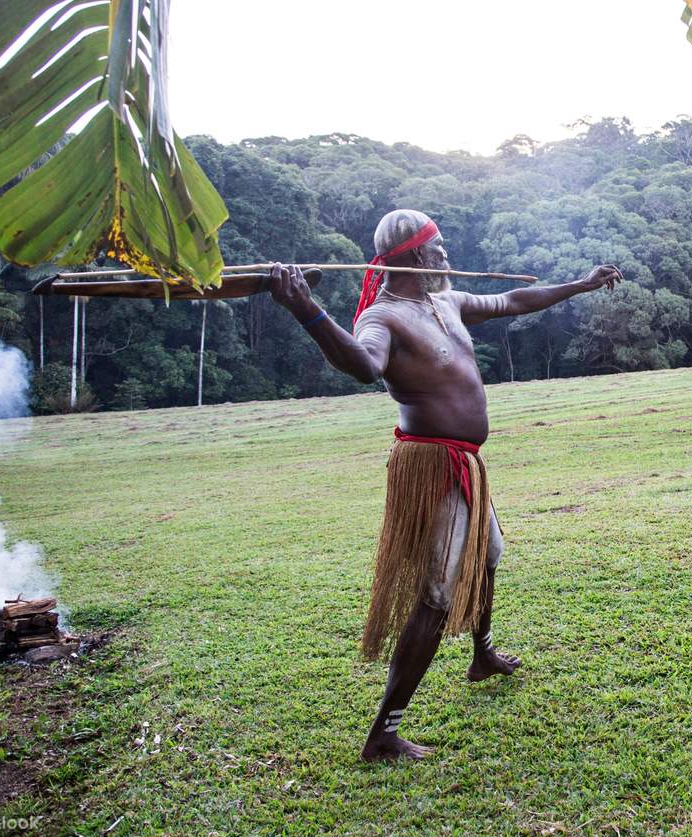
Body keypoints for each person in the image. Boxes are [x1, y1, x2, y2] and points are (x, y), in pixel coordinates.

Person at [267, 208, 622, 761]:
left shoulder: (445, 301)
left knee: (487, 556)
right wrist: (306, 309)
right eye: (440, 250)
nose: (448, 259)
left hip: (466, 462)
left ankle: (481, 654)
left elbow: (514, 301)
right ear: (413, 256)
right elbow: (364, 365)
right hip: (432, 468)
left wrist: (581, 284)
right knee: (435, 597)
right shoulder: (382, 318)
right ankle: (384, 732)